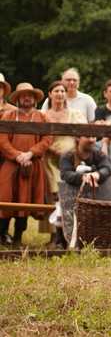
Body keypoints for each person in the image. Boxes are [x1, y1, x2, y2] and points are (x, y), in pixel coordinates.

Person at [0, 83, 52, 247]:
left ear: (34, 98)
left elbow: (47, 139)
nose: (27, 97)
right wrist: (17, 156)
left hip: (32, 164)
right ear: (18, 98)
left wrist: (30, 153)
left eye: (30, 94)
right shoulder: (8, 115)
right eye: (23, 95)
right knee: (5, 198)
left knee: (26, 200)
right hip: (11, 163)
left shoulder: (42, 117)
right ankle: (2, 235)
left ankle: (17, 238)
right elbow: (1, 139)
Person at [44, 80, 87, 248]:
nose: (60, 94)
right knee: (53, 196)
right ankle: (54, 235)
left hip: (70, 160)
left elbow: (83, 135)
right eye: (56, 91)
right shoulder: (44, 114)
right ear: (50, 94)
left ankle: (67, 235)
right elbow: (40, 137)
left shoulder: (74, 114)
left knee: (67, 196)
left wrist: (73, 153)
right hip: (49, 159)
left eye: (62, 91)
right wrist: (51, 149)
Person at [59, 135, 111, 246]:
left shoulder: (99, 154)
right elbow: (65, 174)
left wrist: (97, 175)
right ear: (78, 138)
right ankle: (60, 242)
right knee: (62, 212)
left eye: (94, 137)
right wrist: (83, 177)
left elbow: (108, 168)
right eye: (88, 136)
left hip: (96, 198)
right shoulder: (68, 155)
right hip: (72, 197)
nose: (92, 140)